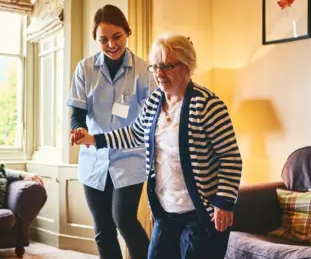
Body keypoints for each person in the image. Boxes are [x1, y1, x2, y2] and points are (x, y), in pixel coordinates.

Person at [72, 34, 243, 259]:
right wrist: (95, 139)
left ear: (187, 66)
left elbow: (230, 157)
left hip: (201, 215)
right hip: (165, 213)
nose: (159, 74)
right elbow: (135, 134)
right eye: (155, 67)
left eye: (167, 66)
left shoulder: (208, 105)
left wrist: (224, 202)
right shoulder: (155, 101)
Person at [66, 4, 156, 259]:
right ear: (96, 40)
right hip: (94, 158)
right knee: (103, 229)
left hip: (130, 158)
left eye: (117, 36)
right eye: (103, 39)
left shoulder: (143, 71)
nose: (111, 44)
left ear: (127, 32)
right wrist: (78, 128)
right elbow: (77, 113)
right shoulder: (85, 68)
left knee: (124, 220)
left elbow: (151, 117)